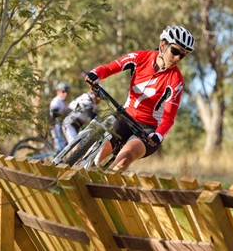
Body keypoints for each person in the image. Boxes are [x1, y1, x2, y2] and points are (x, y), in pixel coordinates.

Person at [84, 25, 195, 171]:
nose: (177, 58)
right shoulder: (140, 58)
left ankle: (105, 183)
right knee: (96, 153)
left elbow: (168, 117)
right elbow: (110, 68)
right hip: (125, 118)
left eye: (183, 55)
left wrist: (158, 136)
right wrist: (95, 73)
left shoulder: (176, 80)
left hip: (148, 130)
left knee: (125, 157)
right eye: (175, 51)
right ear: (163, 44)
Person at [49, 82, 71, 151]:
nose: (65, 94)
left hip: (60, 127)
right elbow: (54, 113)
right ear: (58, 92)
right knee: (59, 149)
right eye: (63, 92)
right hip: (55, 127)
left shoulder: (62, 102)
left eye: (67, 92)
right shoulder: (56, 101)